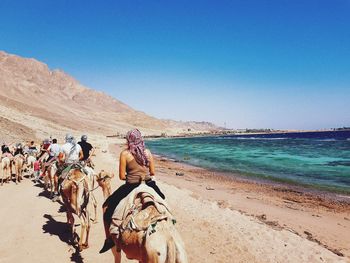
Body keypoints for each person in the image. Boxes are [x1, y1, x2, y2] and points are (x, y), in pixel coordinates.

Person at [99, 129, 165, 253]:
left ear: (129, 140)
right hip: (149, 184)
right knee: (163, 199)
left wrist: (132, 174)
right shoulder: (148, 153)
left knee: (106, 207)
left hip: (131, 186)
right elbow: (153, 173)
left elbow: (122, 177)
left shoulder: (125, 154)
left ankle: (109, 239)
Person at [52, 134, 83, 200]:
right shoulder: (78, 145)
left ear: (66, 139)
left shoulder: (63, 146)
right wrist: (76, 160)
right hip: (76, 164)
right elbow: (82, 156)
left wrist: (63, 161)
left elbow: (60, 158)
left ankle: (56, 192)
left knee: (56, 175)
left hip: (67, 165)